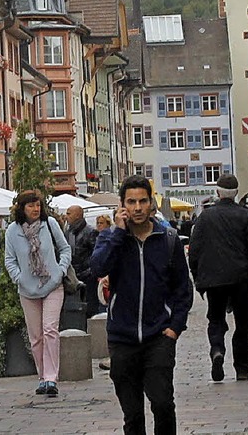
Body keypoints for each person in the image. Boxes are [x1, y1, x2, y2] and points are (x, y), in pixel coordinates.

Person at [91, 175, 193, 434]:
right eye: (131, 202)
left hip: (158, 335)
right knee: (133, 414)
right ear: (122, 205)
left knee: (162, 404)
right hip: (122, 338)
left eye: (143, 201)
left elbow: (183, 287)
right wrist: (117, 233)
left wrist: (174, 328)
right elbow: (98, 267)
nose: (137, 208)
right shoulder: (110, 239)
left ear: (151, 204)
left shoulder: (168, 239)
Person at [189, 173, 248, 382]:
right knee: (243, 323)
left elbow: (194, 250)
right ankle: (241, 368)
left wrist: (197, 277)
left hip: (213, 280)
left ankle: (216, 349)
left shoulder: (205, 217)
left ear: (217, 193)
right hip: (241, 279)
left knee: (215, 318)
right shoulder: (246, 216)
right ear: (236, 193)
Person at [4, 190, 71, 397]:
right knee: (35, 337)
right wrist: (19, 277)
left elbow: (65, 248)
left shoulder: (49, 224)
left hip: (52, 285)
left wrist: (60, 271)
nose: (36, 209)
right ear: (22, 208)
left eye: (38, 205)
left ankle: (52, 377)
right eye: (31, 206)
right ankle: (42, 377)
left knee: (50, 329)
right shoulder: (12, 231)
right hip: (27, 289)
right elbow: (9, 260)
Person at [64, 205, 99, 317]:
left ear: (78, 215)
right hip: (73, 277)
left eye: (69, 213)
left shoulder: (90, 232)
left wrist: (89, 271)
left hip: (88, 277)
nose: (66, 216)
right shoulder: (68, 232)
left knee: (90, 308)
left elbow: (96, 254)